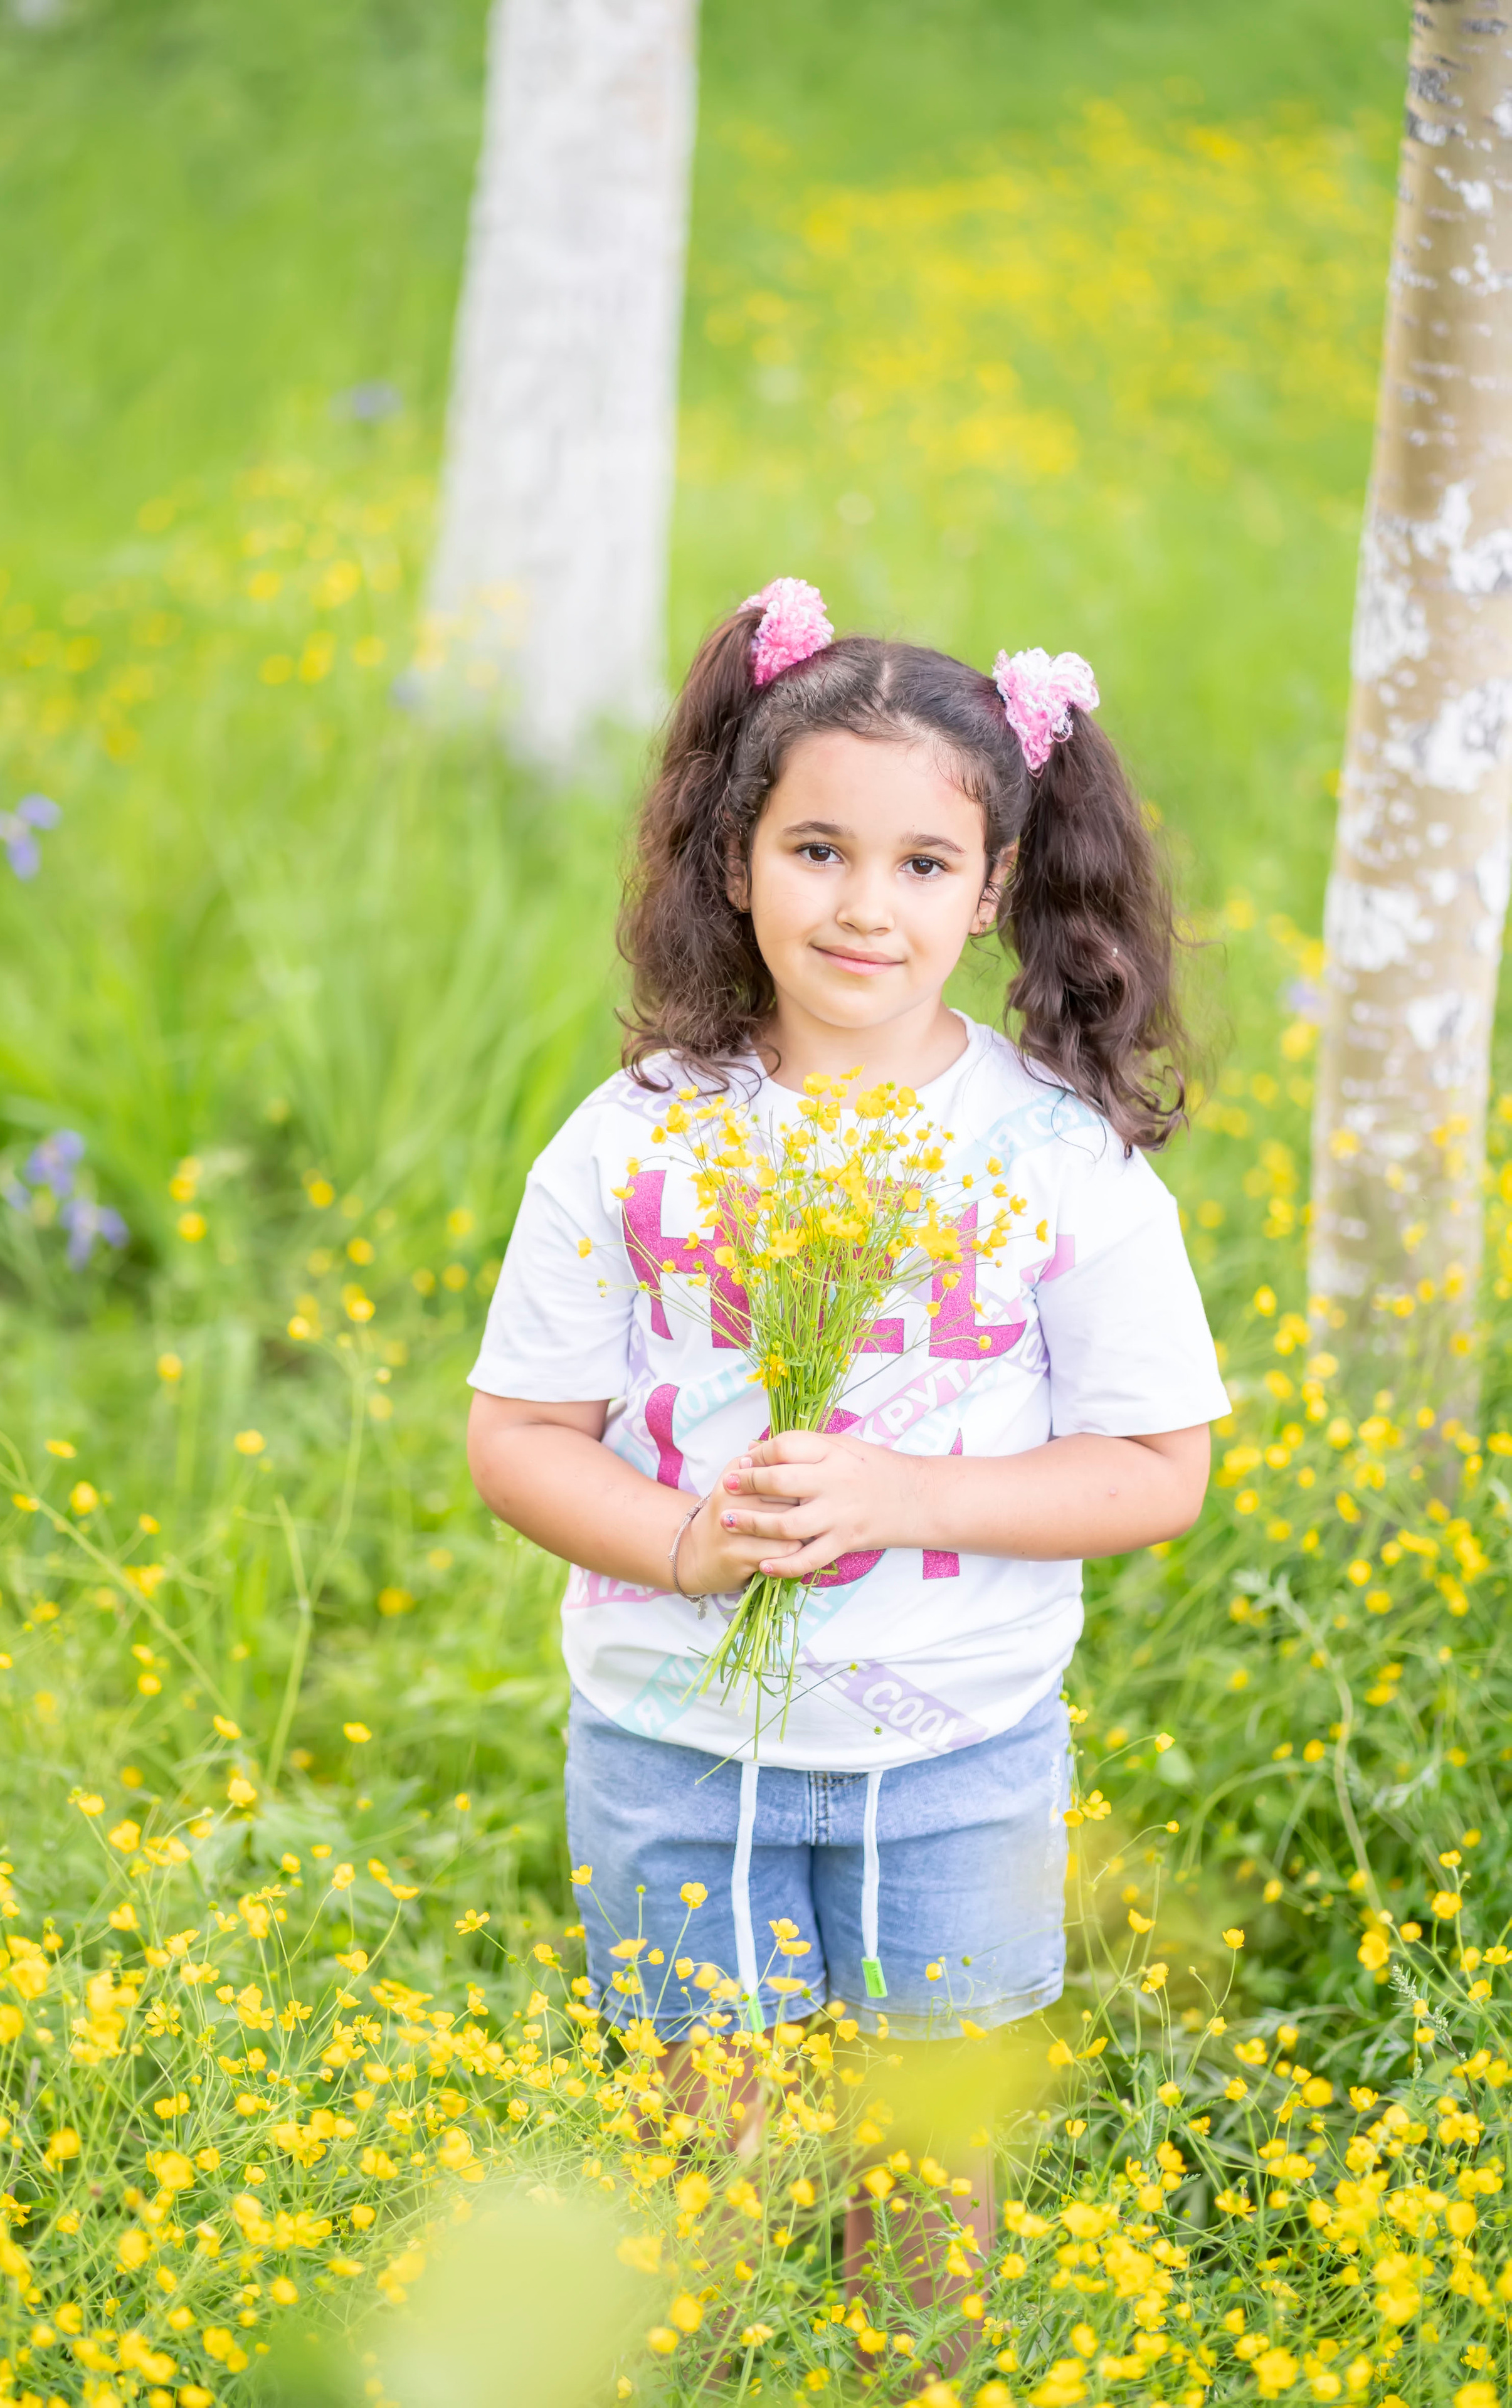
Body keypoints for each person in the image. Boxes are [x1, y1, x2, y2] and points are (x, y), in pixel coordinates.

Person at [465, 578, 1229, 2294]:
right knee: (702, 2189)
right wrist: (685, 1544)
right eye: (817, 849)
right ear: (735, 859)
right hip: (676, 1744)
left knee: (923, 2194)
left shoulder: (1056, 1158)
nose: (863, 904)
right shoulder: (637, 1141)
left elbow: (1156, 1468)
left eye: (921, 864)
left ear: (995, 890)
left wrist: (901, 1491)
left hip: (957, 1753)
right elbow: (519, 1433)